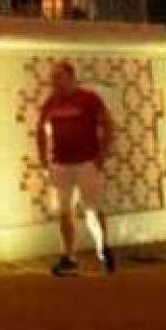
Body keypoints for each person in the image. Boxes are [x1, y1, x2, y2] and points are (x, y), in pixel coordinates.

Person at [37, 60, 117, 276]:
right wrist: (44, 157)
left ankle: (103, 248)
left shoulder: (88, 99)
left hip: (86, 162)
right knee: (64, 211)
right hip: (61, 163)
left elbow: (107, 124)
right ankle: (68, 255)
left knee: (93, 207)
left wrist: (102, 154)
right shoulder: (51, 102)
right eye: (53, 78)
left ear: (71, 78)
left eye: (59, 77)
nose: (55, 83)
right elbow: (40, 127)